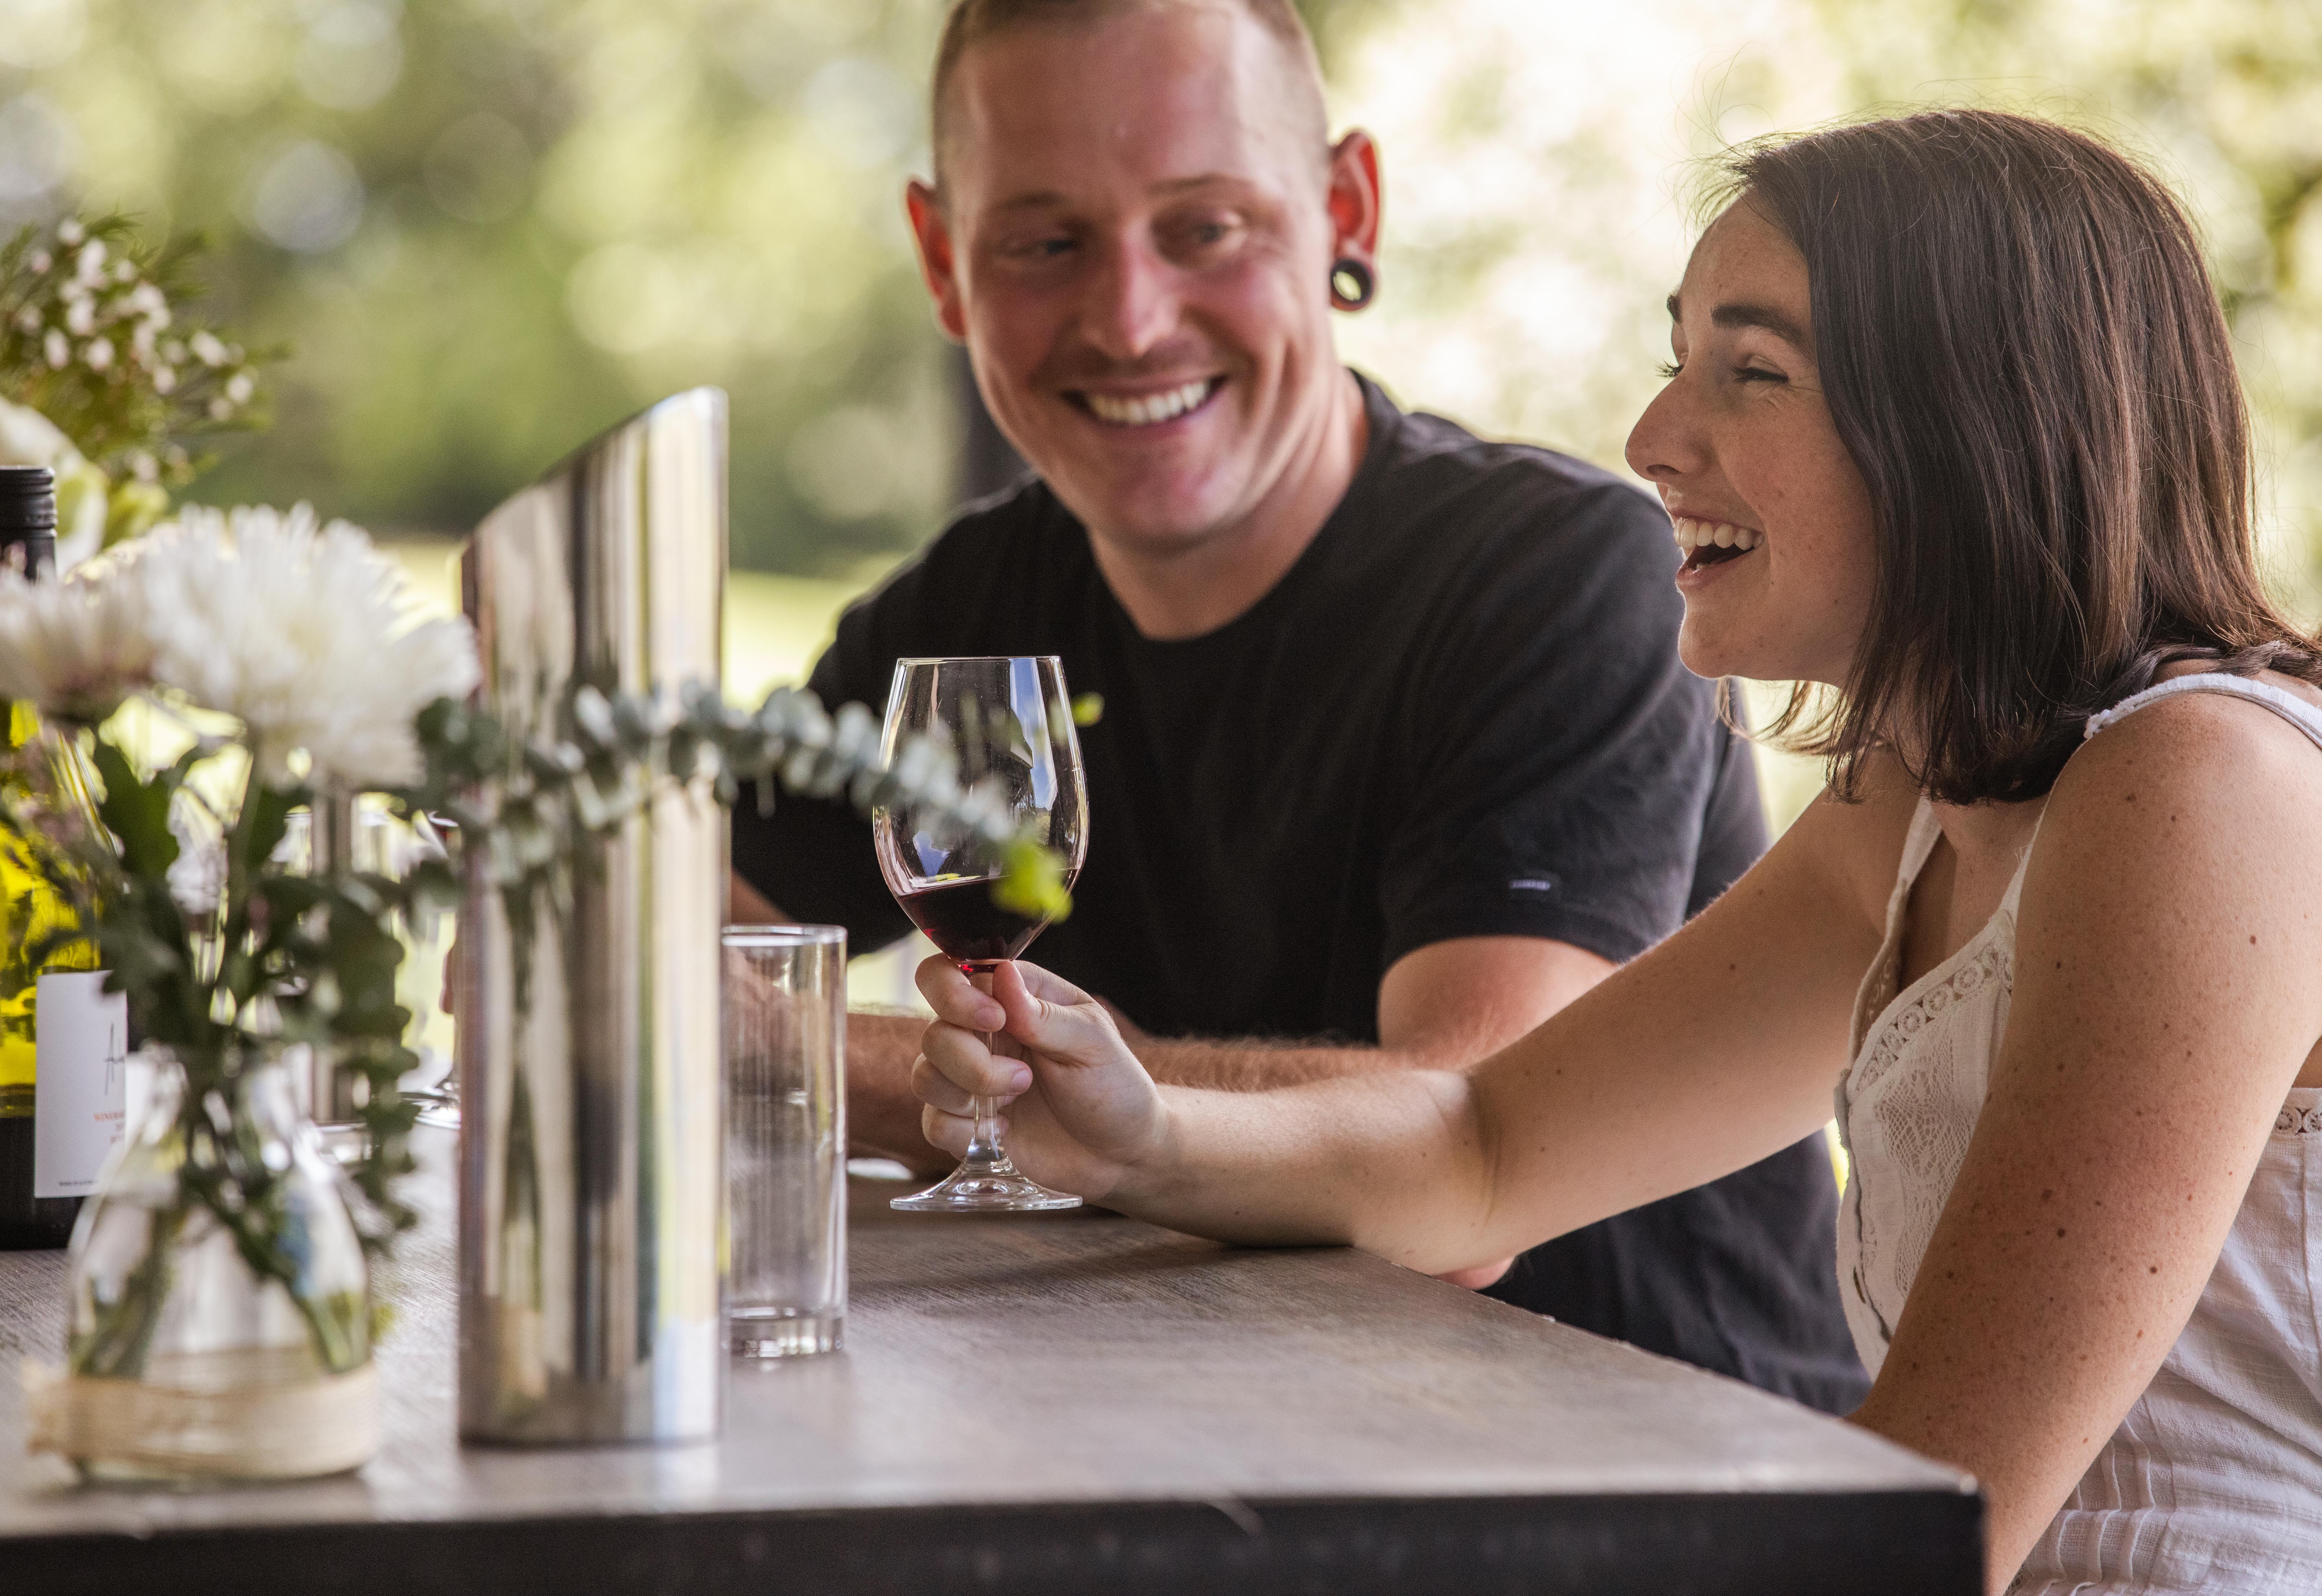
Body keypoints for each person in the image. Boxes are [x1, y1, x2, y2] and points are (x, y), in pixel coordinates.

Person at [907, 108, 2322, 1594]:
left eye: (1751, 373)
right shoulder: (1919, 803)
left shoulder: (2202, 786)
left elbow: (1929, 1528)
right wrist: (1144, 1133)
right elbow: (1485, 1149)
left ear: (1977, 424)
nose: (1652, 439)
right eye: (1677, 358)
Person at [730, 0, 1868, 1413]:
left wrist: (841, 1059)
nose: (1130, 318)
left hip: (1635, 1459)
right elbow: (645, 941)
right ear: (942, 262)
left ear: (1345, 212)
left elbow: (1463, 1168)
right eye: (1045, 243)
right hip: (1192, 1434)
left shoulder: (1558, 577)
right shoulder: (971, 611)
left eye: (1204, 228)